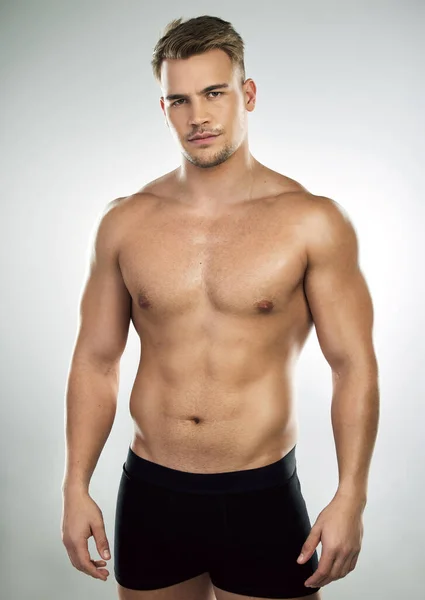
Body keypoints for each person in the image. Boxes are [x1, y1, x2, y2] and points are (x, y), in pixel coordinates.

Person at [60, 14, 379, 600]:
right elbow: (96, 360)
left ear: (247, 94)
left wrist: (350, 496)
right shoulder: (125, 222)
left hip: (260, 494)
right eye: (178, 100)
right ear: (163, 109)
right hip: (153, 491)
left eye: (213, 93)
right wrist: (75, 486)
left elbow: (352, 365)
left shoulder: (311, 221)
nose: (197, 116)